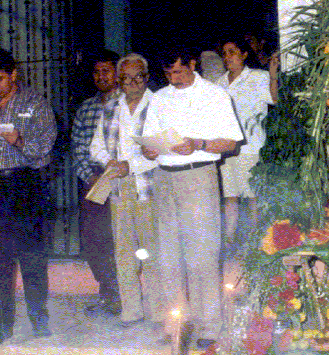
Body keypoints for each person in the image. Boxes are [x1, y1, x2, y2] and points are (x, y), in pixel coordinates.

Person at [141, 47, 243, 348]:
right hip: (164, 178)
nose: (174, 78)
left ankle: (209, 323)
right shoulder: (159, 98)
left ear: (192, 64)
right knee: (168, 255)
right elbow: (150, 138)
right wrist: (149, 148)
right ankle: (177, 322)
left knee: (203, 253)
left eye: (179, 72)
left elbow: (231, 143)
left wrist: (198, 143)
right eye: (168, 74)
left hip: (198, 175)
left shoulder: (215, 95)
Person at [0, 48, 57, 346]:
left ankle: (39, 319)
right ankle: (2, 324)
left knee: (32, 255)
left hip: (26, 183)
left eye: (0, 79)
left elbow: (44, 149)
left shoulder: (34, 103)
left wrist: (17, 139)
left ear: (14, 74)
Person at [89, 53, 163, 328]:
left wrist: (129, 165)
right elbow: (95, 145)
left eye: (137, 77)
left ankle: (157, 310)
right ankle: (131, 310)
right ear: (119, 81)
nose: (132, 83)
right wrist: (108, 161)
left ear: (146, 78)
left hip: (149, 185)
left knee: (152, 249)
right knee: (124, 250)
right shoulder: (111, 107)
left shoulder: (157, 104)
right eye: (126, 78)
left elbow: (160, 148)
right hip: (118, 187)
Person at [71, 49, 122, 317]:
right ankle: (107, 291)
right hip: (94, 180)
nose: (102, 76)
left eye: (107, 71)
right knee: (94, 240)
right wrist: (88, 175)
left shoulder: (127, 103)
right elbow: (77, 147)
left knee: (122, 238)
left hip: (123, 179)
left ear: (117, 72)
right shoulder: (86, 108)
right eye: (97, 72)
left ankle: (124, 295)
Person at [215, 39, 278, 242]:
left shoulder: (258, 77)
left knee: (253, 197)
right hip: (226, 150)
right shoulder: (219, 83)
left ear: (243, 55)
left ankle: (256, 241)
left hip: (250, 147)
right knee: (230, 197)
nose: (227, 57)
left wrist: (274, 76)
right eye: (224, 53)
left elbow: (274, 99)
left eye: (232, 52)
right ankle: (230, 239)